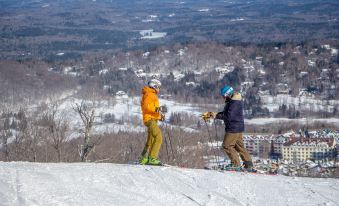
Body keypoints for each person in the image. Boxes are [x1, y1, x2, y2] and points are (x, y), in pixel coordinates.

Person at [205, 85, 253, 171]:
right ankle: (248, 164)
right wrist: (214, 114)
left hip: (233, 127)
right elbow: (227, 113)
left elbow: (228, 116)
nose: (223, 97)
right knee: (239, 146)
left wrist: (215, 115)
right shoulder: (234, 101)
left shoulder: (234, 102)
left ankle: (235, 164)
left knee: (227, 145)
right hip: (238, 127)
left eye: (223, 95)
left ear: (227, 94)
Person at [139, 79, 166, 165]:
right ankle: (152, 158)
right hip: (150, 120)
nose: (159, 89)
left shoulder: (150, 94)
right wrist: (157, 109)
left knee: (150, 140)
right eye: (158, 87)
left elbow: (151, 109)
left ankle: (143, 157)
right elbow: (147, 107)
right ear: (154, 86)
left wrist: (159, 116)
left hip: (151, 119)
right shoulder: (150, 94)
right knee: (159, 137)